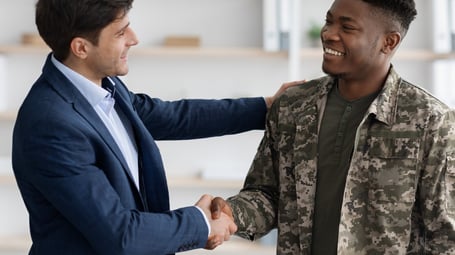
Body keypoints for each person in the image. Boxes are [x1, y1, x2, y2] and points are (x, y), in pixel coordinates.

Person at [11, 0, 298, 254]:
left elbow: (173, 116)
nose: (134, 39)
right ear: (81, 47)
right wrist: (202, 223)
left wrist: (266, 108)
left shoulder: (104, 86)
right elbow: (121, 234)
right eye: (121, 32)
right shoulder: (51, 125)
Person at [211, 0, 455, 254]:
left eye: (347, 27)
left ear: (389, 42)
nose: (328, 34)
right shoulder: (292, 106)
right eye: (329, 21)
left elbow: (445, 236)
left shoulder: (431, 121)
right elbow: (267, 195)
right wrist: (233, 212)